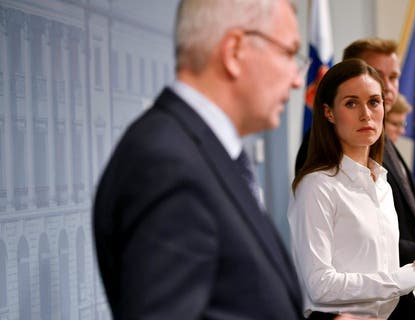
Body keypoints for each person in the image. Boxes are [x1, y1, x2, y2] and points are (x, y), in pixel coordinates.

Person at [93, 0, 310, 318]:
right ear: (234, 51)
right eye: (289, 53)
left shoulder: (201, 153)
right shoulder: (166, 165)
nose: (296, 80)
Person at [289, 58, 415, 319]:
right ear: (329, 112)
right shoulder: (317, 186)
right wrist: (407, 276)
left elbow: (378, 269)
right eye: (351, 103)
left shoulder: (381, 181)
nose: (366, 114)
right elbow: (319, 285)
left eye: (374, 102)